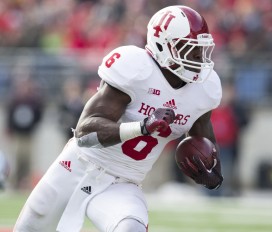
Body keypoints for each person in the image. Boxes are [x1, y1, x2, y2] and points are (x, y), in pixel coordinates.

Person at [14, 5, 223, 232]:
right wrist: (142, 127)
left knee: (130, 228)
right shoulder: (135, 69)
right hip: (77, 166)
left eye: (201, 50)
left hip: (123, 183)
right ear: (163, 45)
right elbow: (84, 133)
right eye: (188, 48)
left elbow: (206, 147)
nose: (198, 58)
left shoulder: (205, 88)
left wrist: (212, 177)